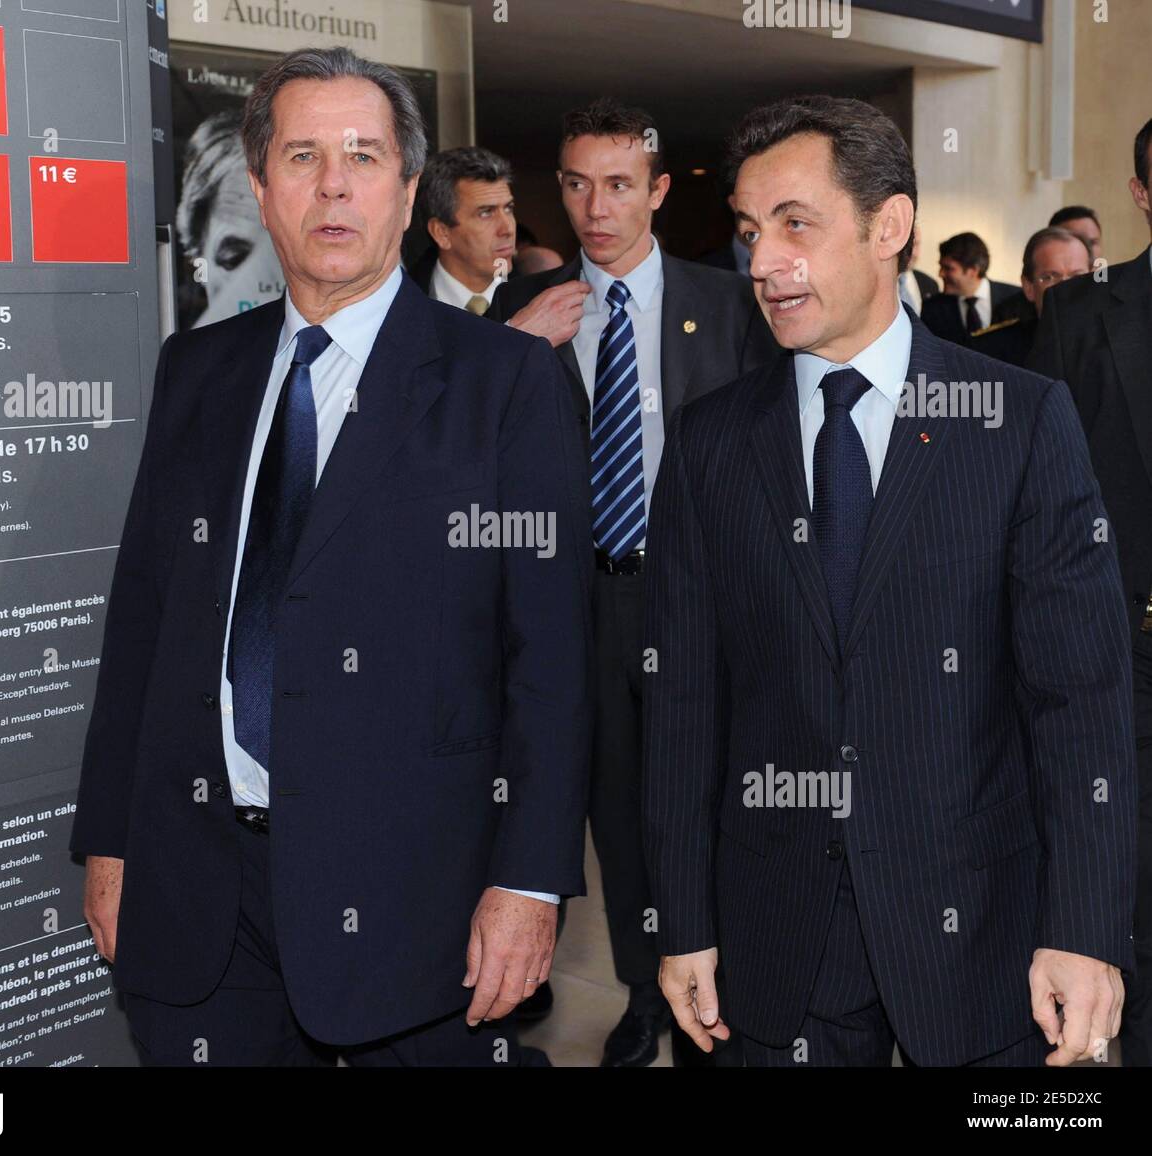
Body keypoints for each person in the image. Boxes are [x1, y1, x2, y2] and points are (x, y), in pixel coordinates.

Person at [71, 45, 593, 1067]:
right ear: (263, 190)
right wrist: (112, 836)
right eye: (302, 156)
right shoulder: (199, 371)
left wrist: (530, 880)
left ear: (408, 191)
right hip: (203, 892)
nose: (334, 183)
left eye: (363, 154)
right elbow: (144, 619)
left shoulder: (503, 384)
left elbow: (553, 662)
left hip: (415, 900)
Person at [644, 94, 1137, 1068]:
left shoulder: (1019, 420)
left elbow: (1077, 701)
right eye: (747, 232)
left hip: (983, 936)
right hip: (776, 940)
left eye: (795, 223)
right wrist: (681, 918)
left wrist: (1083, 928)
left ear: (890, 226)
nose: (763, 261)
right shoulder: (708, 444)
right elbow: (681, 702)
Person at [489, 95, 776, 1068]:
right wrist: (513, 358)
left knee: (707, 803)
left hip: (703, 600)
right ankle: (648, 993)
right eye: (574, 184)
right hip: (583, 605)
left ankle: (726, 988)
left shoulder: (732, 307)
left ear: (656, 188)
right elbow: (455, 459)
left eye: (617, 184)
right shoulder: (515, 315)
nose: (594, 207)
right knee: (616, 813)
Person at [1028, 116, 1152, 1067]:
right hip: (1130, 657)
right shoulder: (1082, 314)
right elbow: (1035, 496)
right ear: (1142, 195)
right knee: (1134, 905)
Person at [176, 110, 287, 328]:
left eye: (285, 254)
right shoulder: (184, 357)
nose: (262, 279)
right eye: (234, 259)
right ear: (199, 256)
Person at [409, 145, 516, 313]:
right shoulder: (398, 303)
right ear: (441, 233)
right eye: (486, 213)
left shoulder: (539, 297)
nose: (507, 229)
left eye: (508, 208)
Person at [969, 226, 1092, 367]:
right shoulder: (989, 353)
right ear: (1029, 287)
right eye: (1050, 277)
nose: (1065, 288)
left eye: (1077, 276)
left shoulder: (1113, 342)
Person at [921, 231, 1018, 343]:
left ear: (973, 271)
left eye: (948, 268)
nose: (940, 274)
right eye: (941, 266)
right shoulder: (932, 308)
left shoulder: (1016, 299)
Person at [897, 224, 937, 311]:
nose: (912, 253)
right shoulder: (877, 283)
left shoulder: (930, 285)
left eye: (916, 244)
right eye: (906, 245)